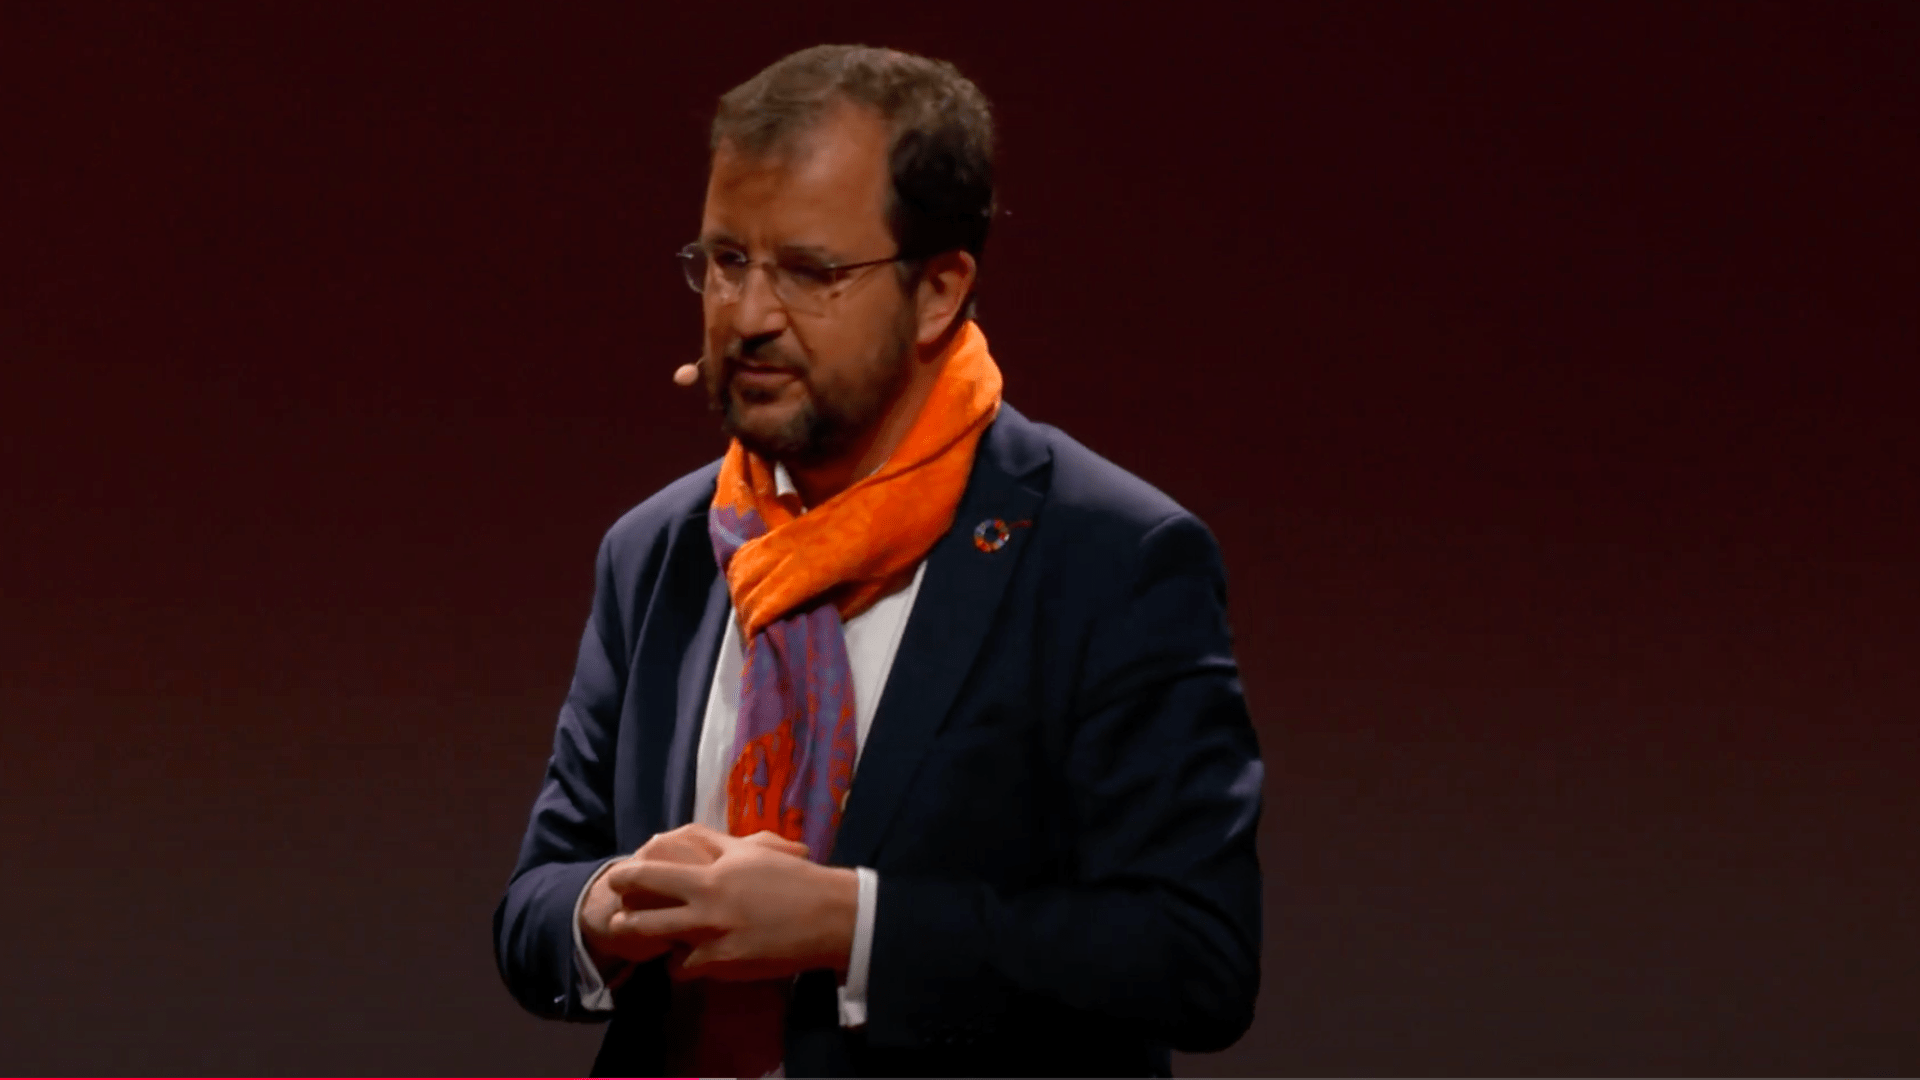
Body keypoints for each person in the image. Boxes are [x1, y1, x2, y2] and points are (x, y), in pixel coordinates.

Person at [492, 44, 1263, 1078]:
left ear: (939, 290)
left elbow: (1194, 957)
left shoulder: (1110, 558)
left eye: (810, 272)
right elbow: (535, 901)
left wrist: (850, 925)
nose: (748, 316)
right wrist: (608, 906)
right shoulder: (660, 551)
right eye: (726, 261)